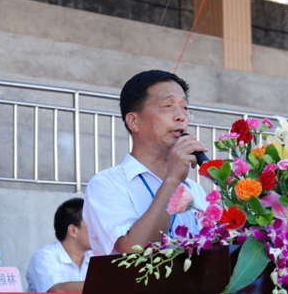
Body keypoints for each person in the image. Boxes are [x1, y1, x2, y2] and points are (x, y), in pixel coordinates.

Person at [83, 70, 208, 256]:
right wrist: (172, 180)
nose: (181, 116)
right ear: (133, 121)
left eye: (185, 107)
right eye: (167, 106)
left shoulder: (195, 190)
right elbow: (134, 250)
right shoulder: (106, 184)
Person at [25, 198, 92, 293]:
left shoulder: (95, 257)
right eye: (92, 226)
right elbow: (56, 291)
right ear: (73, 231)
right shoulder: (43, 257)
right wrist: (102, 285)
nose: (98, 232)